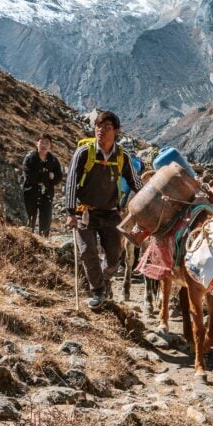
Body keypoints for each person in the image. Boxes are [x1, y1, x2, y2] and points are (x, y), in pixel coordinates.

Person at [66, 111, 143, 310]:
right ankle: (98, 292)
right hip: (86, 212)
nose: (101, 130)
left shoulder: (121, 156)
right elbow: (71, 182)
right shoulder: (84, 152)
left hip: (110, 213)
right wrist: (70, 212)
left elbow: (135, 182)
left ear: (116, 131)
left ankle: (101, 279)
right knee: (88, 252)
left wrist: (148, 199)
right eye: (98, 126)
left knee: (114, 256)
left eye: (106, 127)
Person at [22, 133, 63, 238]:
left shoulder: (53, 160)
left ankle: (43, 241)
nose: (44, 145)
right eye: (41, 142)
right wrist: (47, 175)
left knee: (46, 219)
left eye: (47, 143)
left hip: (47, 193)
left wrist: (52, 177)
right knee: (29, 219)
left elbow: (59, 177)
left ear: (50, 145)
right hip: (30, 193)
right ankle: (27, 242)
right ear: (37, 143)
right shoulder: (30, 158)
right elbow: (29, 177)